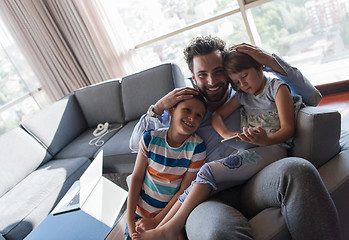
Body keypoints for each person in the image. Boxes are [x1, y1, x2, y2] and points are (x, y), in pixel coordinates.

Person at [129, 36, 340, 239]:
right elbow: (136, 144)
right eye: (202, 75)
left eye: (218, 71)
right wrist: (157, 109)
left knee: (298, 170)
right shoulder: (185, 111)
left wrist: (270, 62)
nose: (212, 81)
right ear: (193, 77)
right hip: (204, 199)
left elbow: (312, 96)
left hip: (255, 182)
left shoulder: (246, 95)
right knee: (219, 231)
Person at [125, 93, 207, 240]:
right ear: (172, 111)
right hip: (138, 216)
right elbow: (136, 178)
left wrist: (157, 222)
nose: (192, 118)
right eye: (187, 110)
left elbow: (184, 191)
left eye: (198, 115)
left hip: (168, 218)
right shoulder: (149, 138)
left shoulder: (197, 148)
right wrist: (130, 221)